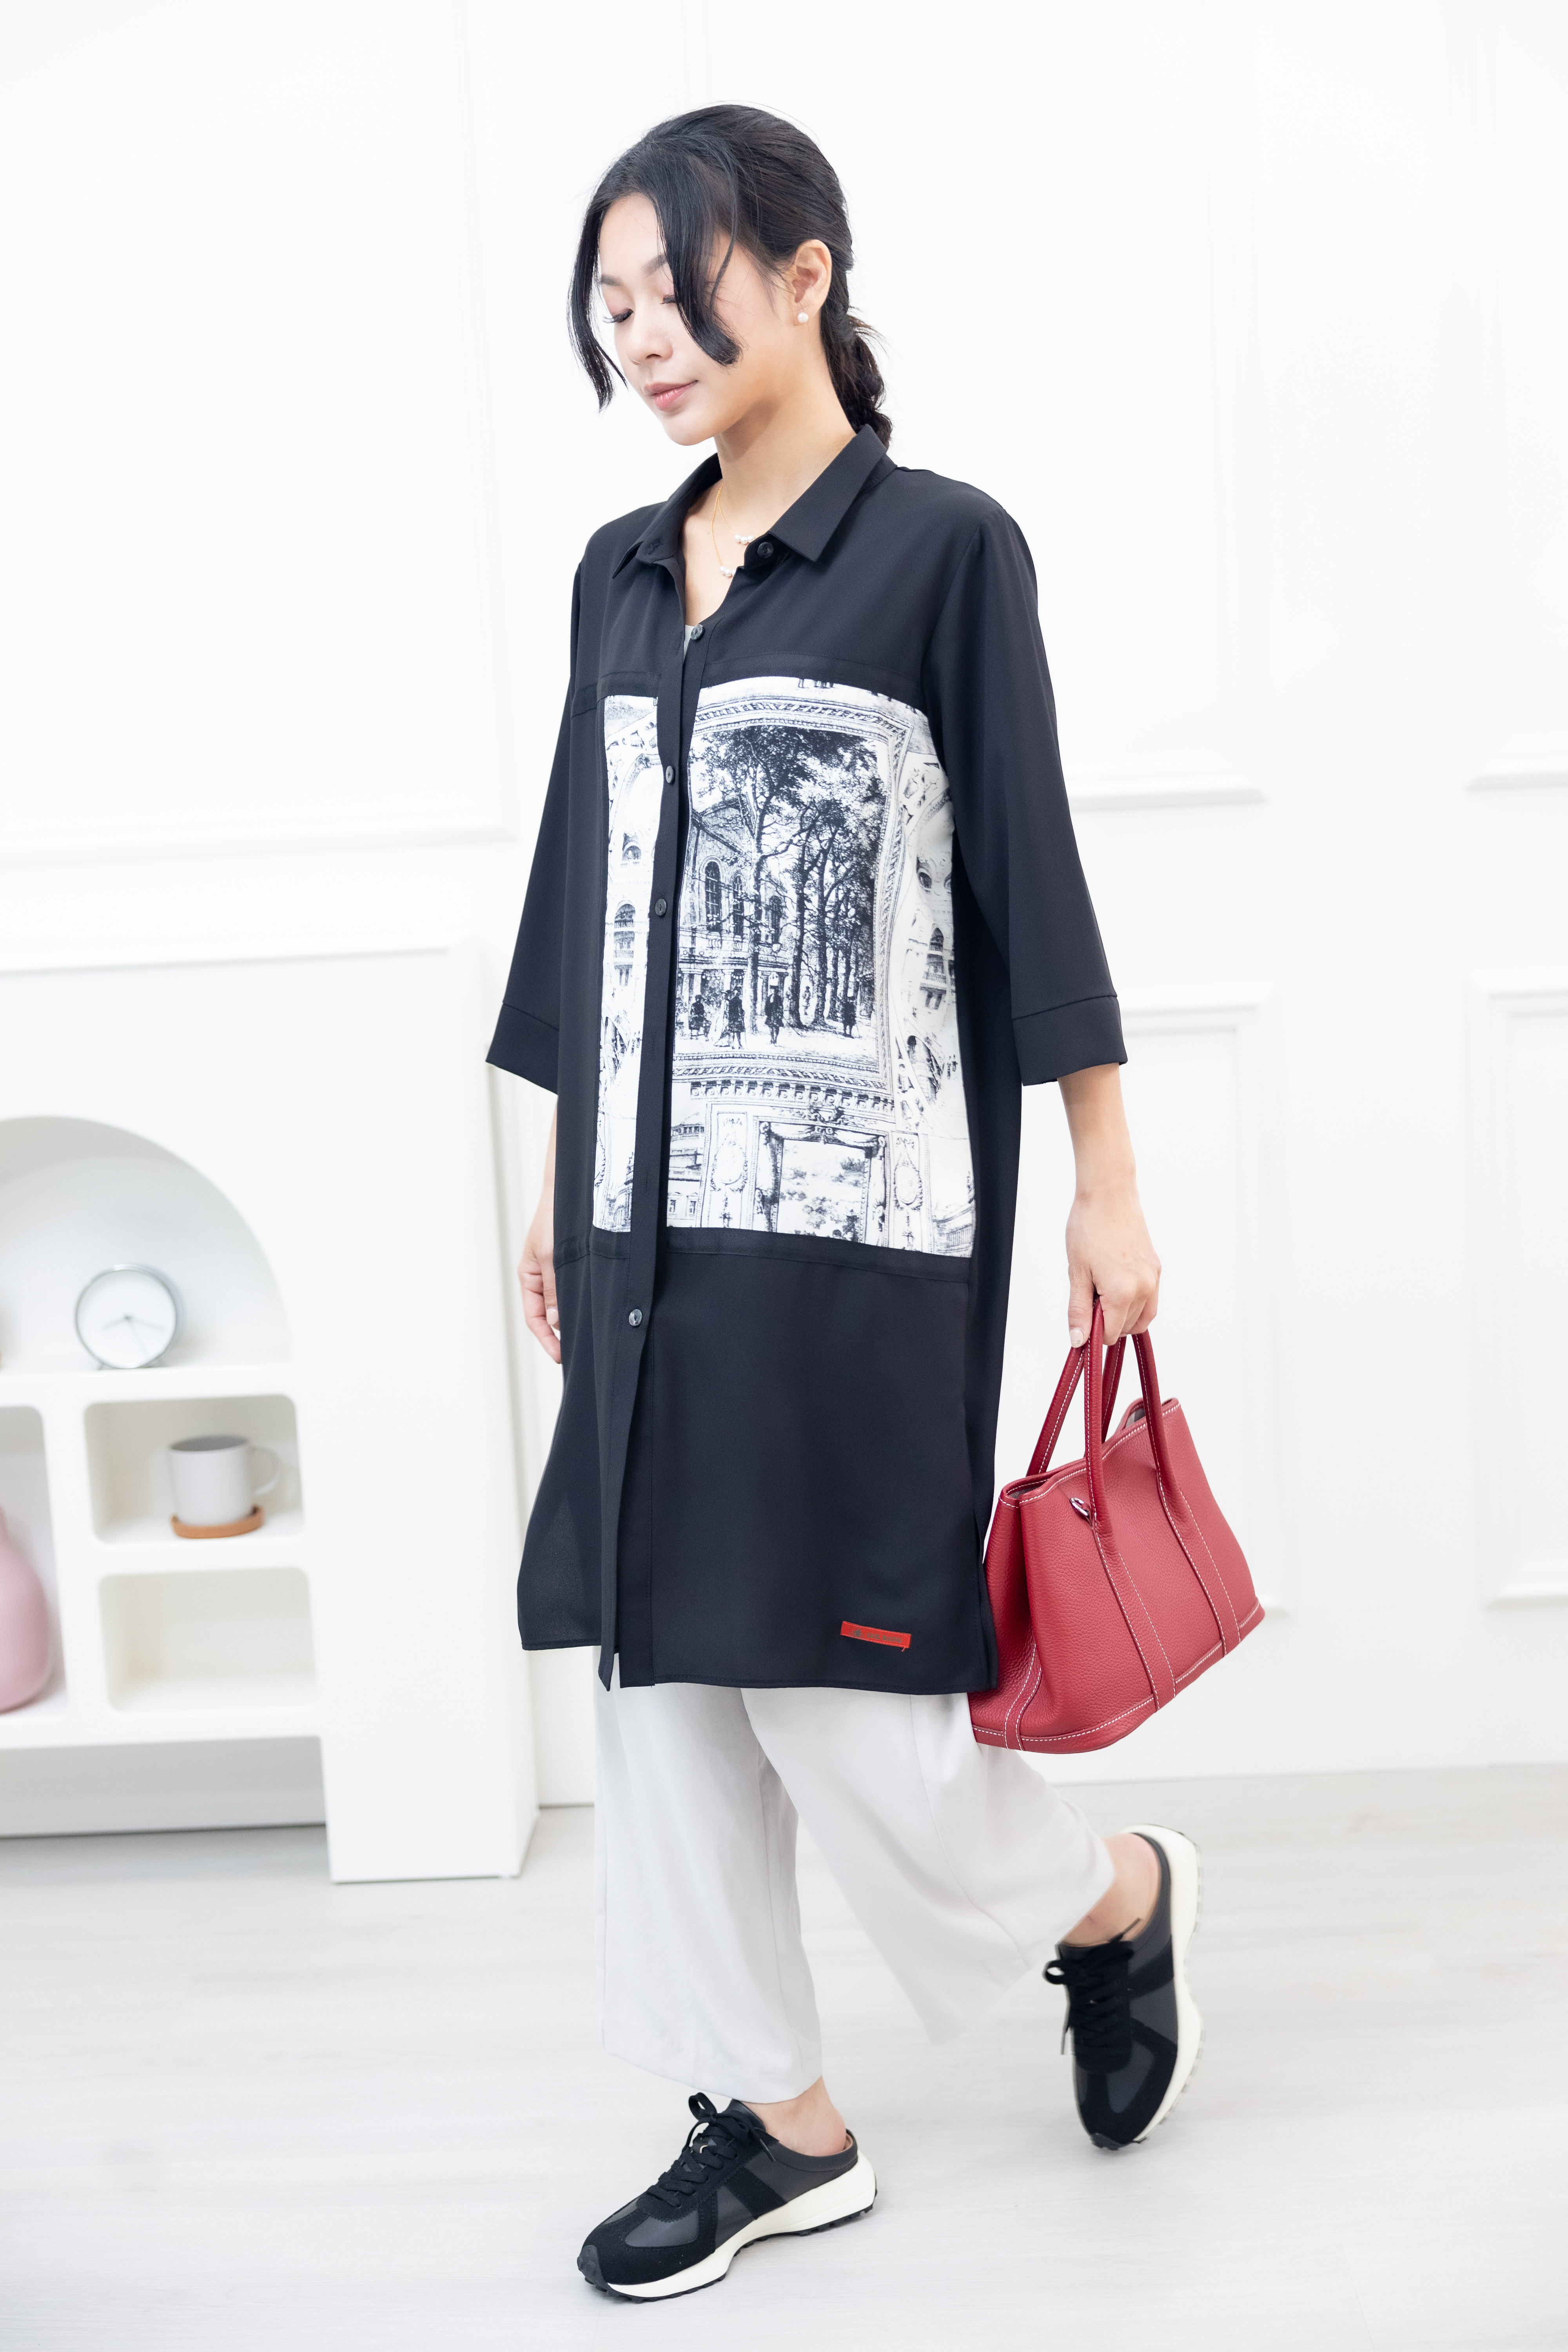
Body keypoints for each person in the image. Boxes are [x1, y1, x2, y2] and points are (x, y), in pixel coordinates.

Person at [488, 105, 1191, 2307]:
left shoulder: (944, 552)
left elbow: (1029, 875)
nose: (641, 338)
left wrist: (1105, 1178)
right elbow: (588, 897)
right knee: (664, 1679)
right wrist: (558, 1175)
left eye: (675, 289)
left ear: (803, 275)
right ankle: (776, 2119)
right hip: (641, 1224)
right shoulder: (619, 573)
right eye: (610, 305)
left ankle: (1109, 1896)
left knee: (852, 1703)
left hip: (860, 1225)